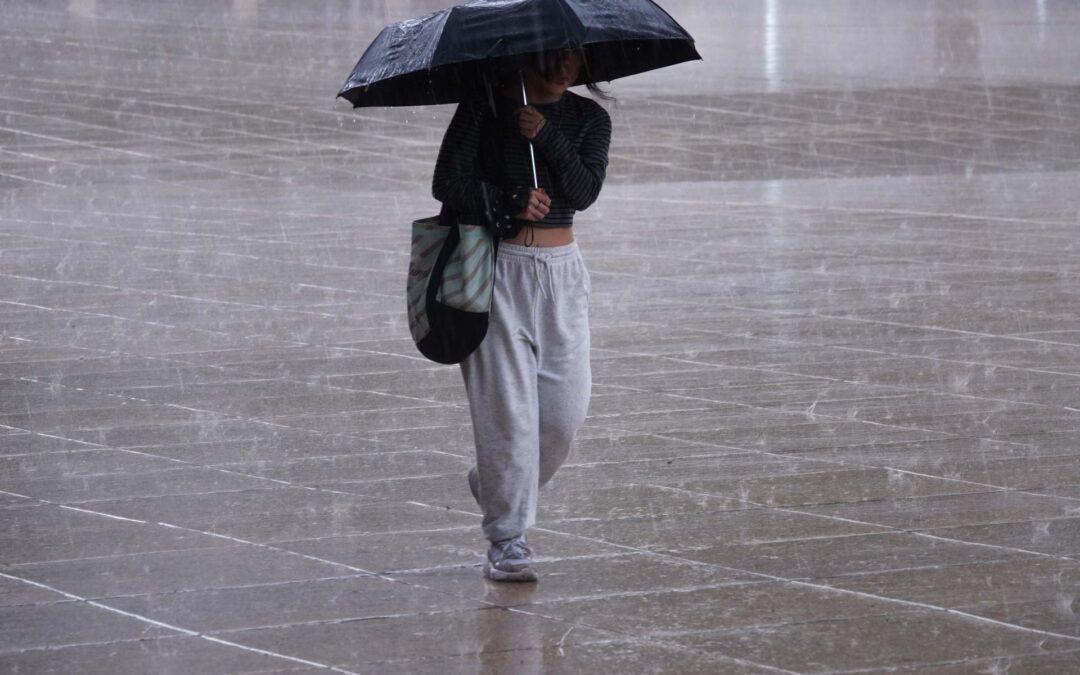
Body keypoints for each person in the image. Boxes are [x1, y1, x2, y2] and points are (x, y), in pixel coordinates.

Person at [432, 48, 612, 581]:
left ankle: (496, 484)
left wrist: (545, 136)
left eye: (573, 59)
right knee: (506, 412)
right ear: (523, 57)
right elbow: (447, 182)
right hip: (494, 269)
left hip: (562, 273)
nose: (562, 69)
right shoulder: (483, 110)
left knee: (561, 415)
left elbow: (584, 191)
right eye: (550, 58)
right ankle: (507, 538)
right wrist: (508, 197)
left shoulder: (589, 119)